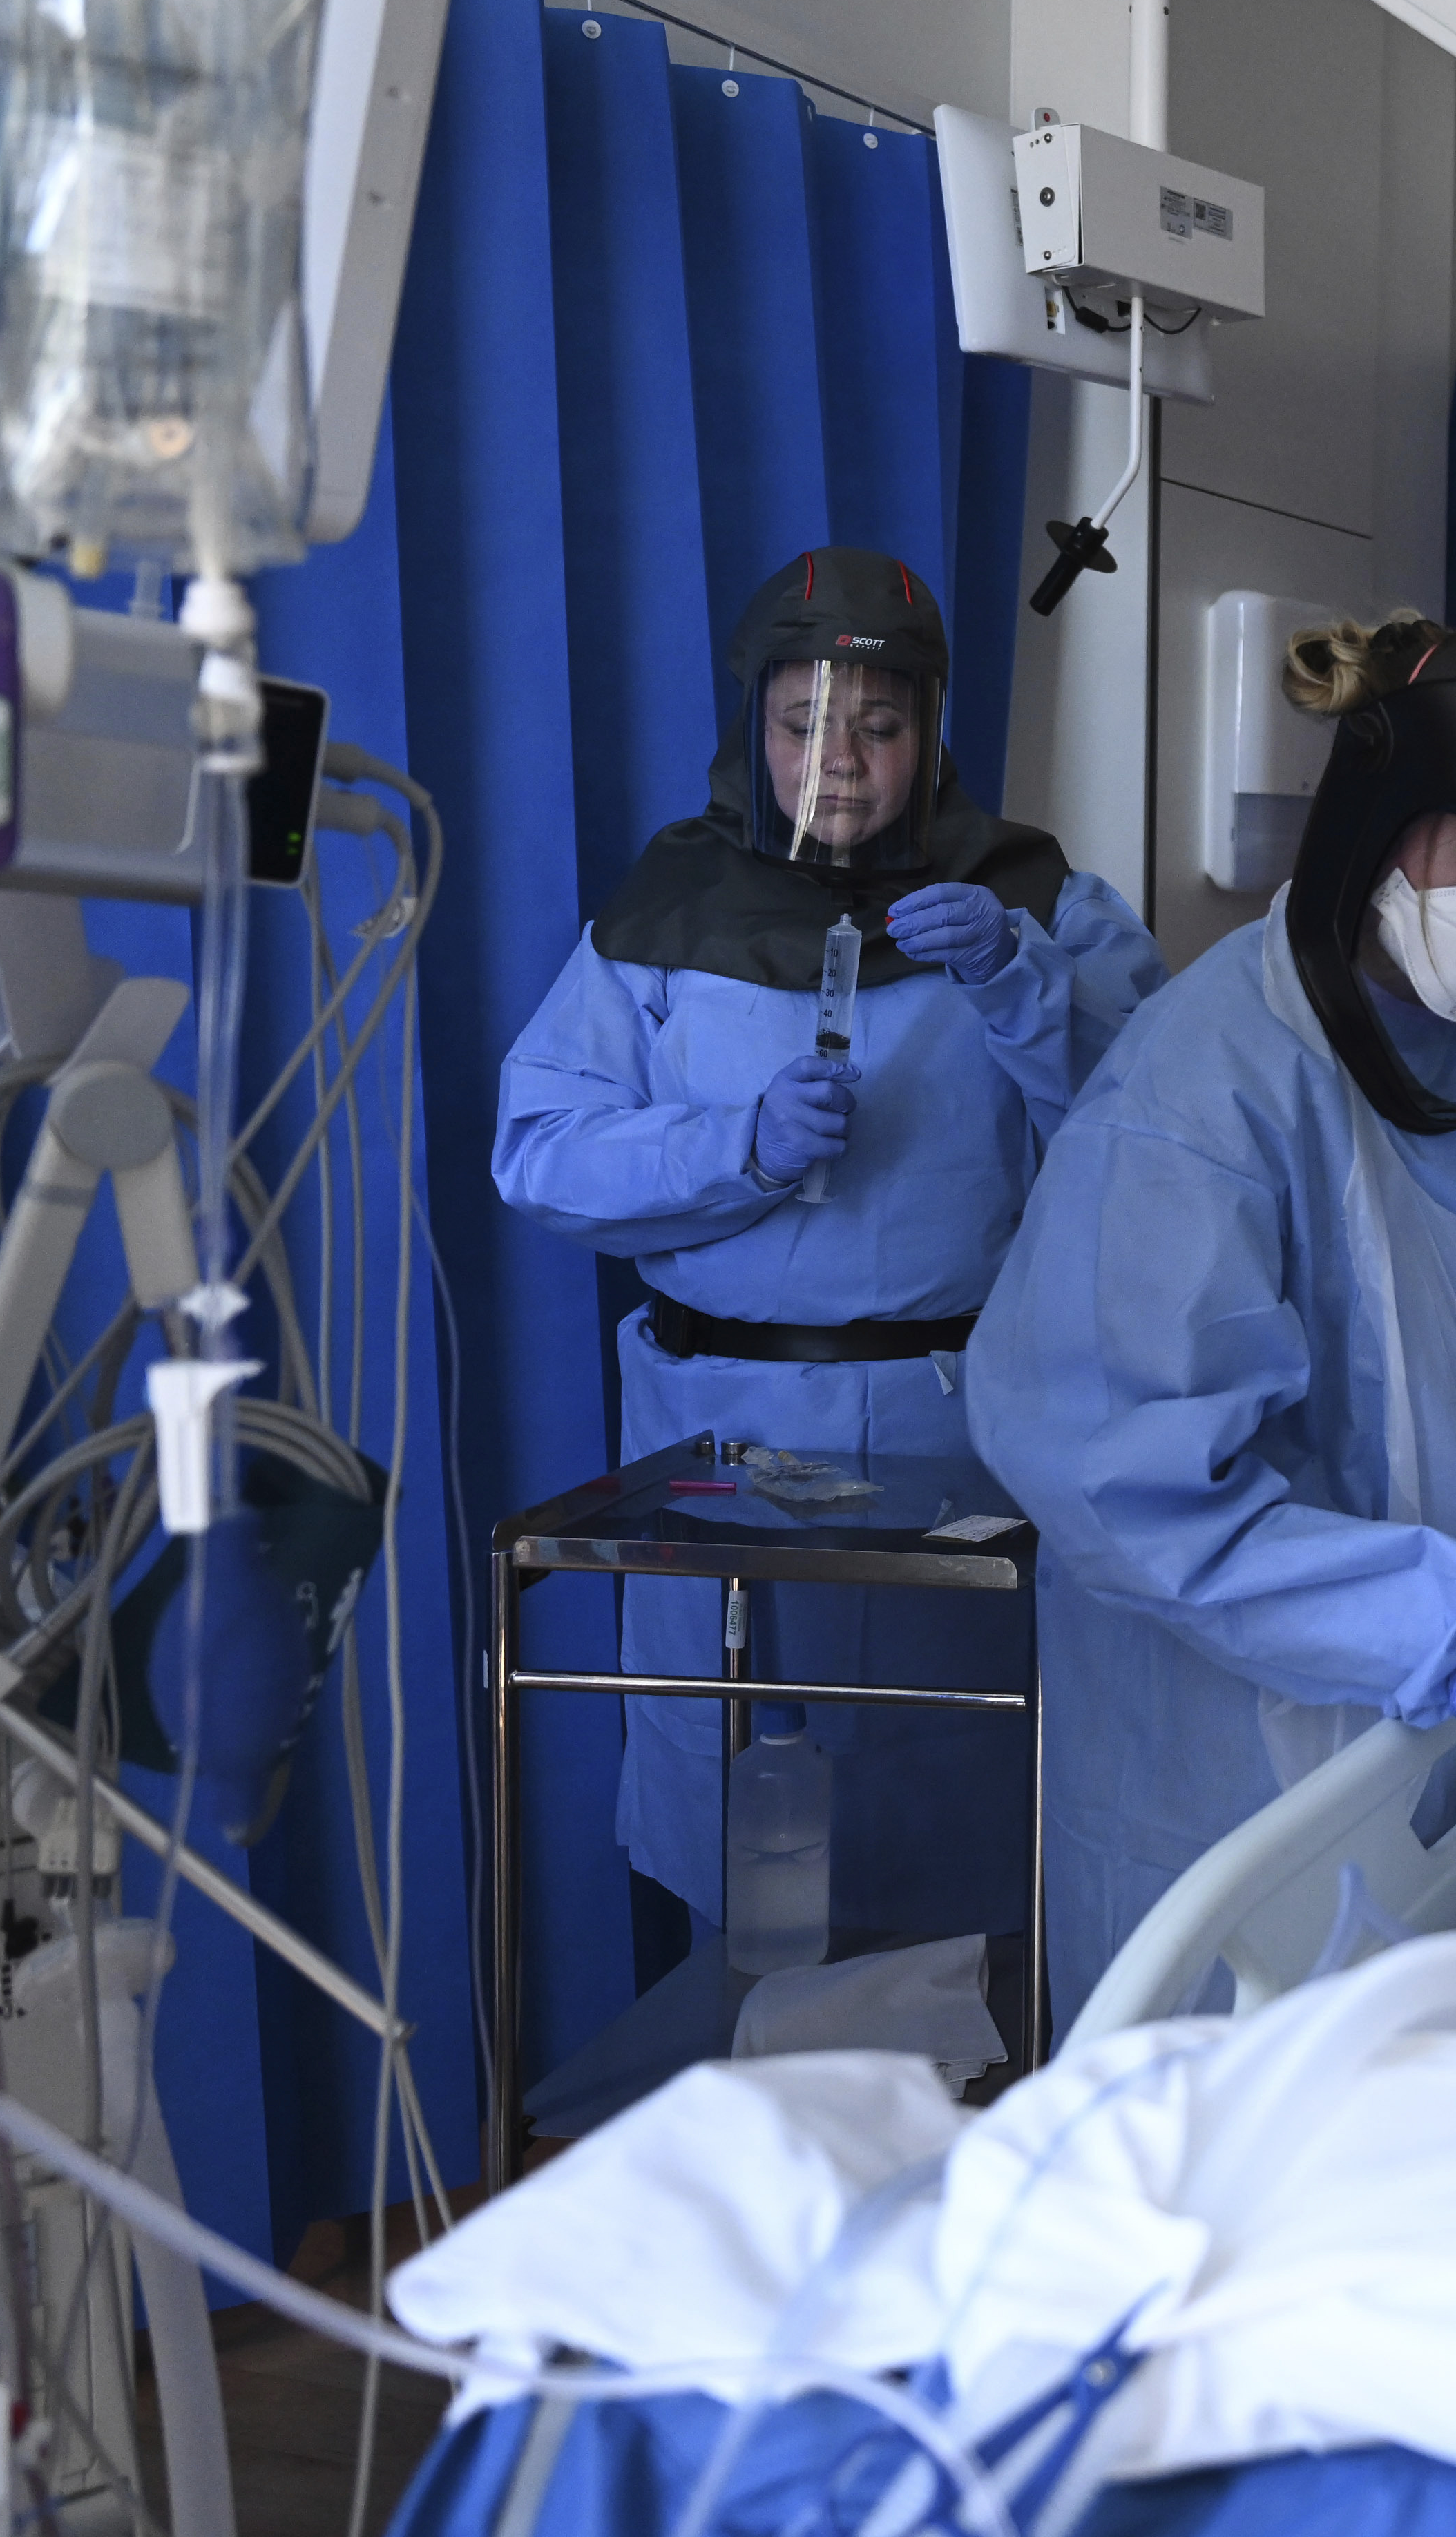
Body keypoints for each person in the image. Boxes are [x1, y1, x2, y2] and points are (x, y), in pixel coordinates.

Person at [970, 616, 1456, 2008]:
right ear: (1373, 830)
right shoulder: (1206, 1091)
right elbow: (1123, 1483)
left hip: (1453, 1745)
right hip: (1242, 1760)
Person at [496, 546, 1163, 1953]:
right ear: (756, 728)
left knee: (936, 1800)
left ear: (931, 735)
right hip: (709, 1429)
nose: (838, 765)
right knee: (719, 1784)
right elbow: (539, 1151)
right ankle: (735, 2109)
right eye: (803, 723)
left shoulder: (1039, 903)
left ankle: (949, 2114)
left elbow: (1151, 1144)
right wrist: (728, 1145)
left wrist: (1017, 980)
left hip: (943, 1425)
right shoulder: (663, 915)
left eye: (877, 726)